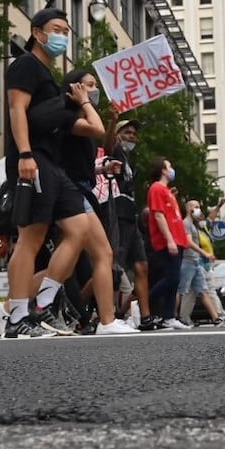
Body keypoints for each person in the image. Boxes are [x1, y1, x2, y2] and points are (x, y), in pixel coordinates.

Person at [1, 8, 99, 339]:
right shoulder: (26, 65)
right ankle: (17, 316)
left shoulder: (50, 77)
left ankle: (43, 305)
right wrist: (24, 154)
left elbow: (92, 129)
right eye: (56, 29)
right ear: (38, 32)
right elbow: (17, 111)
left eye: (66, 30)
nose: (62, 35)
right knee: (31, 236)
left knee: (79, 227)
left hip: (52, 164)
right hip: (32, 159)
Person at [38, 66, 134, 336]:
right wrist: (82, 101)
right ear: (74, 88)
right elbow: (97, 129)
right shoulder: (71, 119)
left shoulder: (79, 119)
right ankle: (106, 320)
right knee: (103, 253)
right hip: (72, 194)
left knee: (62, 266)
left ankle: (11, 305)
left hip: (77, 189)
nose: (96, 90)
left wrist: (101, 170)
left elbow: (80, 161)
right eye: (89, 85)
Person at [97, 117, 156, 329]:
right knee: (112, 266)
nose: (132, 136)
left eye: (134, 133)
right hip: (116, 213)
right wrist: (113, 120)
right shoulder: (114, 151)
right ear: (118, 134)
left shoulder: (129, 160)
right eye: (127, 132)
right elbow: (106, 144)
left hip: (130, 215)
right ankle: (95, 311)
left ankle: (146, 318)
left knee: (141, 265)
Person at [145, 156, 192, 327]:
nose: (171, 169)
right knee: (172, 278)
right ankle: (144, 304)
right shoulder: (156, 188)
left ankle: (168, 316)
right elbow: (158, 215)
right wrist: (170, 240)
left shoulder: (165, 191)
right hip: (168, 241)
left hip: (177, 240)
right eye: (169, 166)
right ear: (163, 170)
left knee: (174, 279)